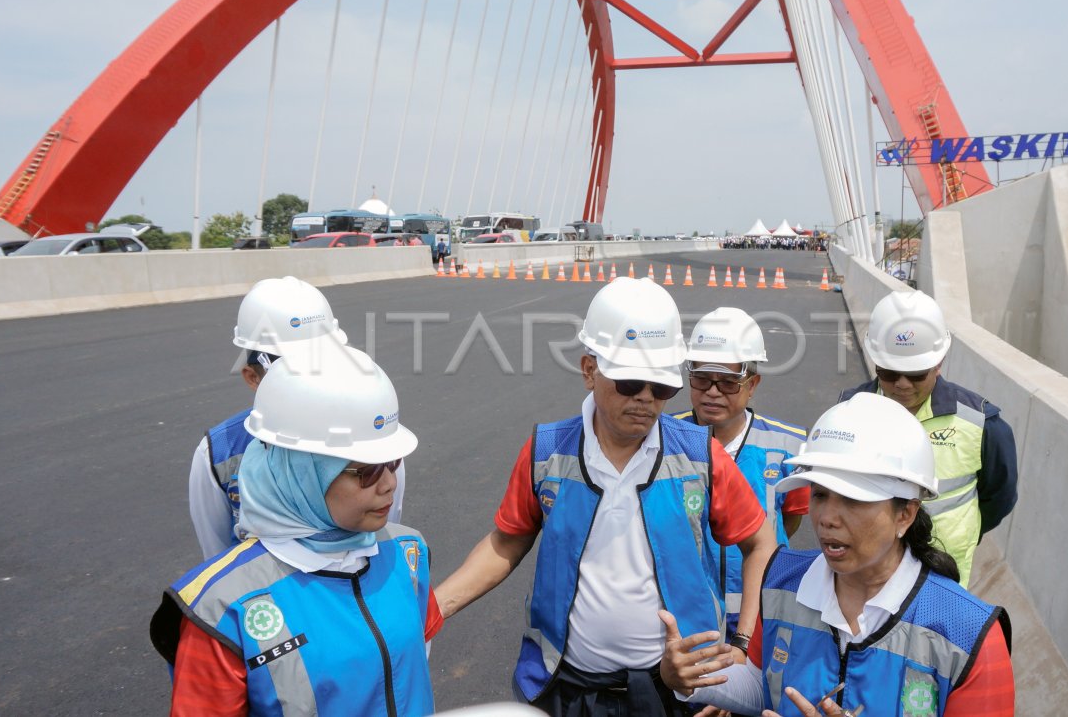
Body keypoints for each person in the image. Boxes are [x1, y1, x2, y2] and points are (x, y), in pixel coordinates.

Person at [435, 277, 777, 716]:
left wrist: (742, 646)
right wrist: (432, 611)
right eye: (631, 383)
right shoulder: (548, 452)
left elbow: (761, 541)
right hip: (568, 692)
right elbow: (507, 541)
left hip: (673, 695)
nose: (647, 401)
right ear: (590, 370)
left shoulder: (699, 457)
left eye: (661, 388)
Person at [660, 393, 1015, 717]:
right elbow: (761, 682)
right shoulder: (781, 582)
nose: (827, 518)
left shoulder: (968, 632)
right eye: (819, 494)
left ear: (905, 514)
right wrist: (690, 677)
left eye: (853, 500)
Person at [152, 346, 441, 716]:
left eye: (393, 462)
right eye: (367, 471)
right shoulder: (221, 609)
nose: (389, 485)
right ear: (301, 473)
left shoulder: (406, 552)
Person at [188, 276, 406, 559]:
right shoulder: (219, 452)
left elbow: (384, 530)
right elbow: (217, 555)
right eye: (290, 369)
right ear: (253, 377)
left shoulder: (374, 444)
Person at [838, 290, 1017, 586]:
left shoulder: (981, 423)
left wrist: (965, 530)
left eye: (917, 374)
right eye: (890, 373)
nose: (903, 385)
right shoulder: (848, 411)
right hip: (866, 564)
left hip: (942, 570)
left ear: (939, 362)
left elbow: (999, 496)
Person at [673, 307, 809, 639]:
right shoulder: (666, 439)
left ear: (752, 384)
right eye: (702, 378)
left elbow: (789, 517)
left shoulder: (789, 445)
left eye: (728, 382)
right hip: (686, 612)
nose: (713, 391)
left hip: (762, 611)